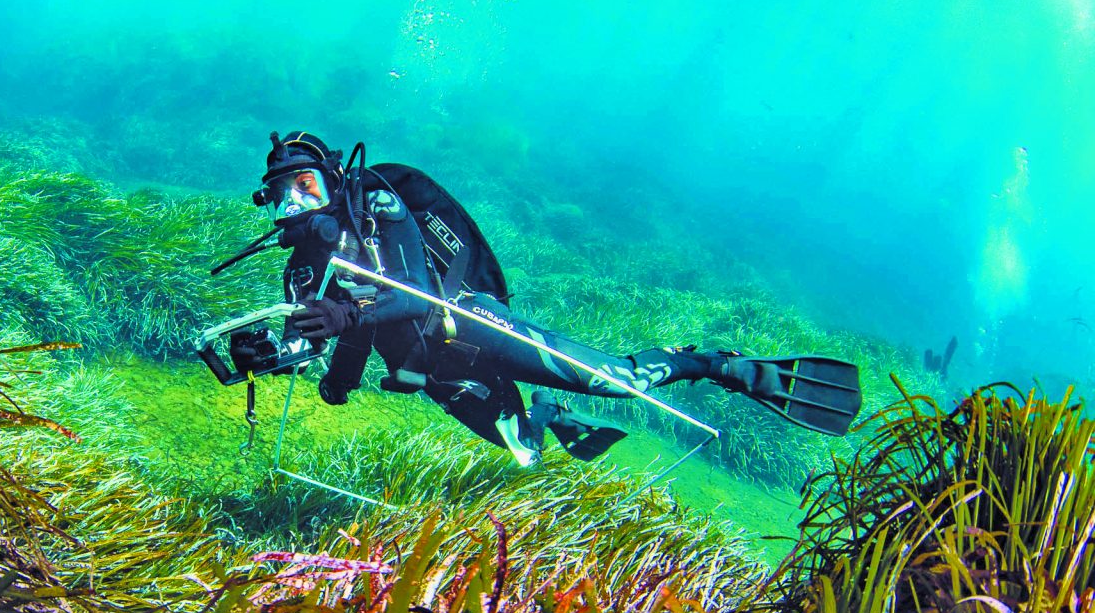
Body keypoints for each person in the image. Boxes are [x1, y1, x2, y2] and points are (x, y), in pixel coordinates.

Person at [257, 130, 863, 465]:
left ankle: (717, 364)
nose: (295, 206)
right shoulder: (302, 276)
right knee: (526, 451)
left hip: (471, 324)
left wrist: (341, 314)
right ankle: (551, 416)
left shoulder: (378, 207)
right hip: (434, 376)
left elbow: (414, 295)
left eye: (304, 186)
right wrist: (304, 366)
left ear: (334, 180)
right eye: (281, 196)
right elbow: (338, 338)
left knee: (614, 381)